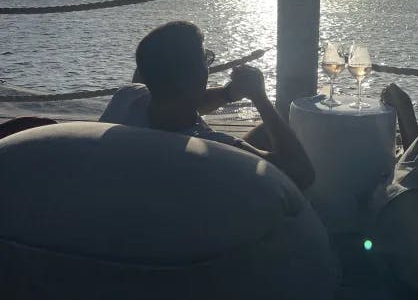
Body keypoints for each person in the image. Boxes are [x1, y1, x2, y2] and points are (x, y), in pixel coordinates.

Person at [100, 21, 314, 190]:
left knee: (264, 132)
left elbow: (176, 102)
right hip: (201, 184)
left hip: (137, 182)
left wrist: (228, 94)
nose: (209, 65)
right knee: (276, 133)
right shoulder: (217, 146)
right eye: (206, 59)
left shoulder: (127, 99)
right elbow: (302, 175)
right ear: (198, 76)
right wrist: (260, 98)